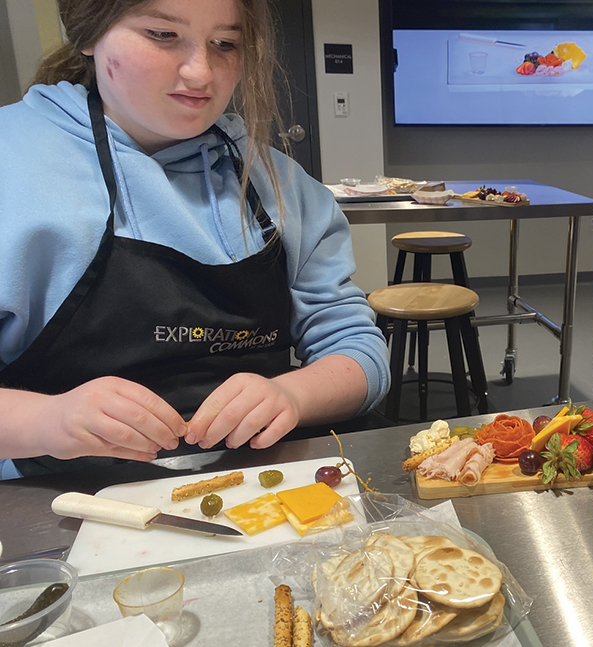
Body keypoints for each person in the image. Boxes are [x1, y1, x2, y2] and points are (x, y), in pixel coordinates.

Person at [0, 0, 390, 477]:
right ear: (88, 33)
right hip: (59, 509)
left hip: (266, 496)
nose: (200, 72)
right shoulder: (12, 165)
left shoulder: (280, 184)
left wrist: (294, 394)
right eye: (162, 35)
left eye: (225, 44)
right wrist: (45, 420)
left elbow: (358, 352)